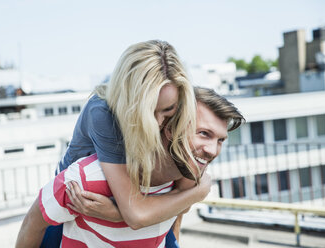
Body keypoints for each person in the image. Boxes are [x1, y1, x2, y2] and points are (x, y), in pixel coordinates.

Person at [25, 40, 206, 247]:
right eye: (148, 111)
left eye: (167, 110)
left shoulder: (179, 110)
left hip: (138, 207)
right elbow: (135, 213)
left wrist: (173, 218)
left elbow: (174, 194)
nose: (157, 122)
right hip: (75, 210)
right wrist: (198, 192)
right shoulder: (102, 113)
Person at [15, 87, 245, 247]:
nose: (213, 150)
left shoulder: (190, 173)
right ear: (171, 128)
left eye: (221, 140)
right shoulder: (92, 170)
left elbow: (175, 214)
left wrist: (196, 191)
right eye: (204, 134)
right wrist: (121, 213)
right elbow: (32, 224)